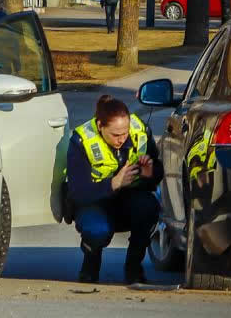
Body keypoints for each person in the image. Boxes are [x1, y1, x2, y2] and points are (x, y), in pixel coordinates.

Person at [65, 94, 163, 284]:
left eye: (124, 133)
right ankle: (90, 266)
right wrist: (113, 184)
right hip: (93, 203)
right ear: (100, 126)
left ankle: (134, 269)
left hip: (130, 200)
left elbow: (158, 173)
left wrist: (149, 172)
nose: (121, 139)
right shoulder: (81, 141)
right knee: (97, 229)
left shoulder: (140, 132)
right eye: (115, 135)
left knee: (149, 208)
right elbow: (77, 192)